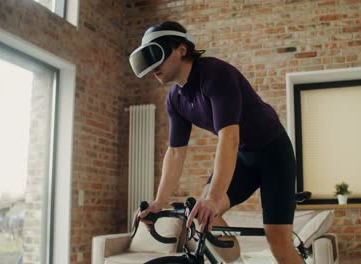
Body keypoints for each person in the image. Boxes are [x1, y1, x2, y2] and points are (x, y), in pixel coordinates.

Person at [129, 21, 303, 264]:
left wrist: (213, 197)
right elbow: (176, 152)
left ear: (181, 49)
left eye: (157, 55)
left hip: (273, 153)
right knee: (203, 217)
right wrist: (158, 203)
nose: (153, 68)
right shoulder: (175, 99)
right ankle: (237, 262)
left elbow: (229, 137)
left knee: (278, 241)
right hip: (243, 157)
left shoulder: (214, 75)